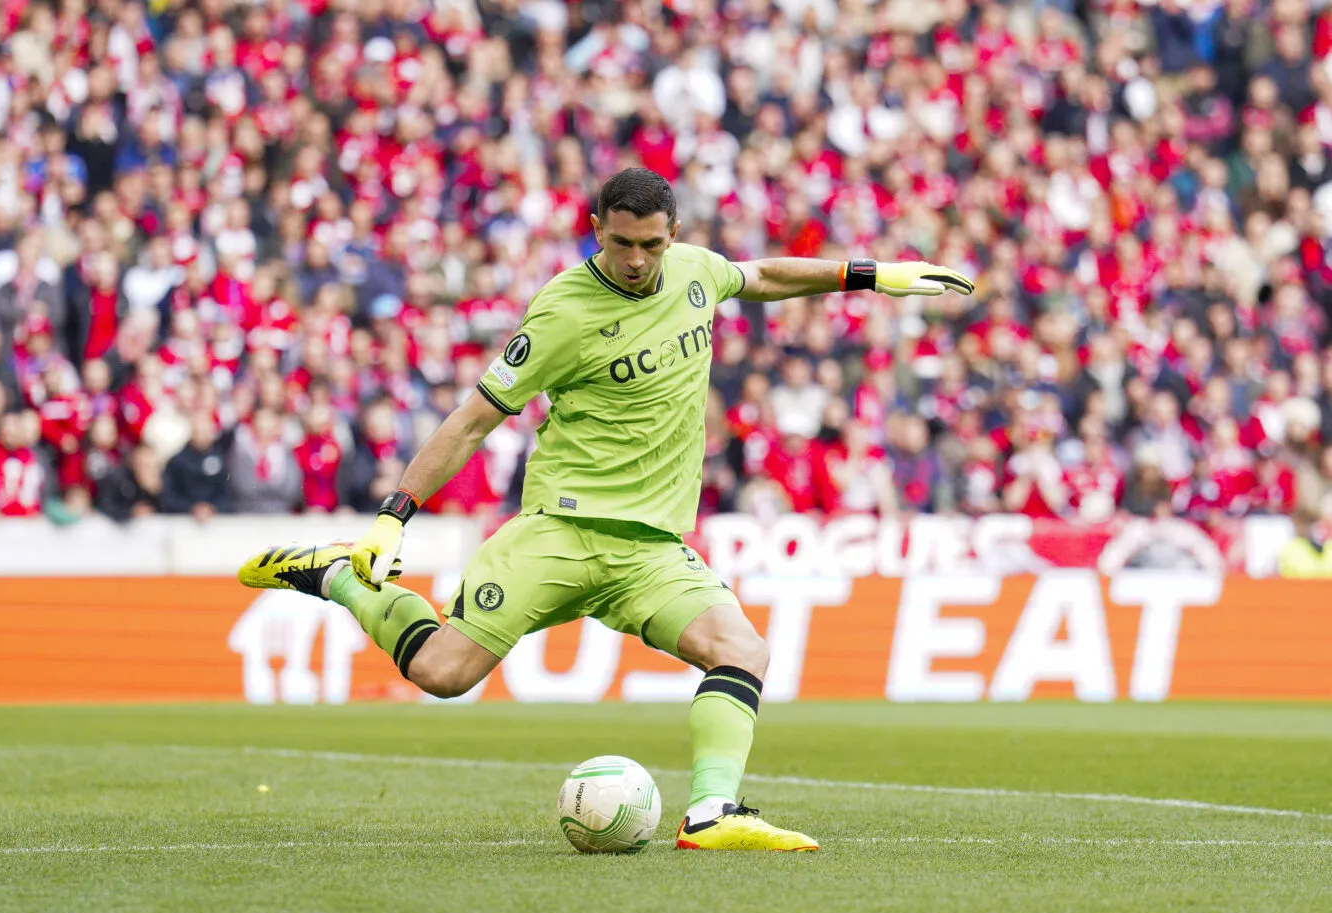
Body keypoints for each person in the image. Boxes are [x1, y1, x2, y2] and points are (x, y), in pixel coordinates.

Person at [237, 168, 973, 852]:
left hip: (650, 548)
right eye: (619, 242)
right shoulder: (562, 312)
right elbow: (470, 420)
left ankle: (712, 813)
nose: (634, 260)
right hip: (560, 532)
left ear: (673, 236)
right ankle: (338, 576)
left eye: (650, 245)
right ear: (596, 228)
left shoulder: (693, 272)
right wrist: (395, 514)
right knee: (442, 673)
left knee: (743, 650)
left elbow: (764, 275)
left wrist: (874, 275)